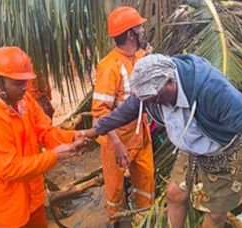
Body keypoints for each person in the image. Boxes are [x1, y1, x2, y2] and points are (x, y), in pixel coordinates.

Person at [86, 54, 242, 227]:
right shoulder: (152, 90)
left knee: (214, 216)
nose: (152, 103)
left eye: (155, 97)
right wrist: (96, 130)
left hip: (228, 151)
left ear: (171, 80)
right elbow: (129, 108)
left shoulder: (212, 89)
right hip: (193, 146)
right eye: (147, 99)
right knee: (175, 194)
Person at [0, 46, 87, 227]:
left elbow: (46, 131)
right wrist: (54, 155)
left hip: (33, 198)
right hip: (6, 209)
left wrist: (72, 137)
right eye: (18, 83)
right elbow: (9, 169)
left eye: (25, 81)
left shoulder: (24, 101)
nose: (25, 87)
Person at [91, 6, 155, 225]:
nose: (143, 30)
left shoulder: (140, 56)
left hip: (141, 136)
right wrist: (117, 144)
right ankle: (115, 221)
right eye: (140, 27)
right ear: (130, 34)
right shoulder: (109, 67)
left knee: (146, 183)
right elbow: (100, 115)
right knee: (115, 190)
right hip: (116, 142)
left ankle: (143, 219)